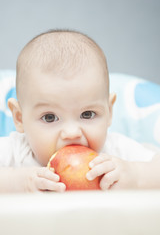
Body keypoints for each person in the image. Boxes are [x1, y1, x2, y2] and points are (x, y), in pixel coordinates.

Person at [0, 29, 159, 192]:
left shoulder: (116, 152)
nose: (72, 132)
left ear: (109, 111)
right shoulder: (15, 152)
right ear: (19, 118)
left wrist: (137, 176)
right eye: (49, 117)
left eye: (87, 114)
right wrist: (17, 182)